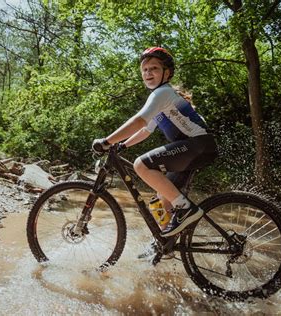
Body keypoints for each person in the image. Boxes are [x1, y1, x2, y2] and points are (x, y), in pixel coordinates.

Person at [92, 47, 218, 238]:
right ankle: (166, 247)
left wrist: (106, 141)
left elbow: (139, 121)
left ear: (166, 73)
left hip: (197, 145)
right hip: (194, 148)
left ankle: (185, 209)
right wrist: (122, 145)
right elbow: (145, 130)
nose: (148, 73)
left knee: (141, 165)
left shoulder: (162, 94)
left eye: (154, 68)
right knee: (162, 199)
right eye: (145, 70)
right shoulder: (162, 98)